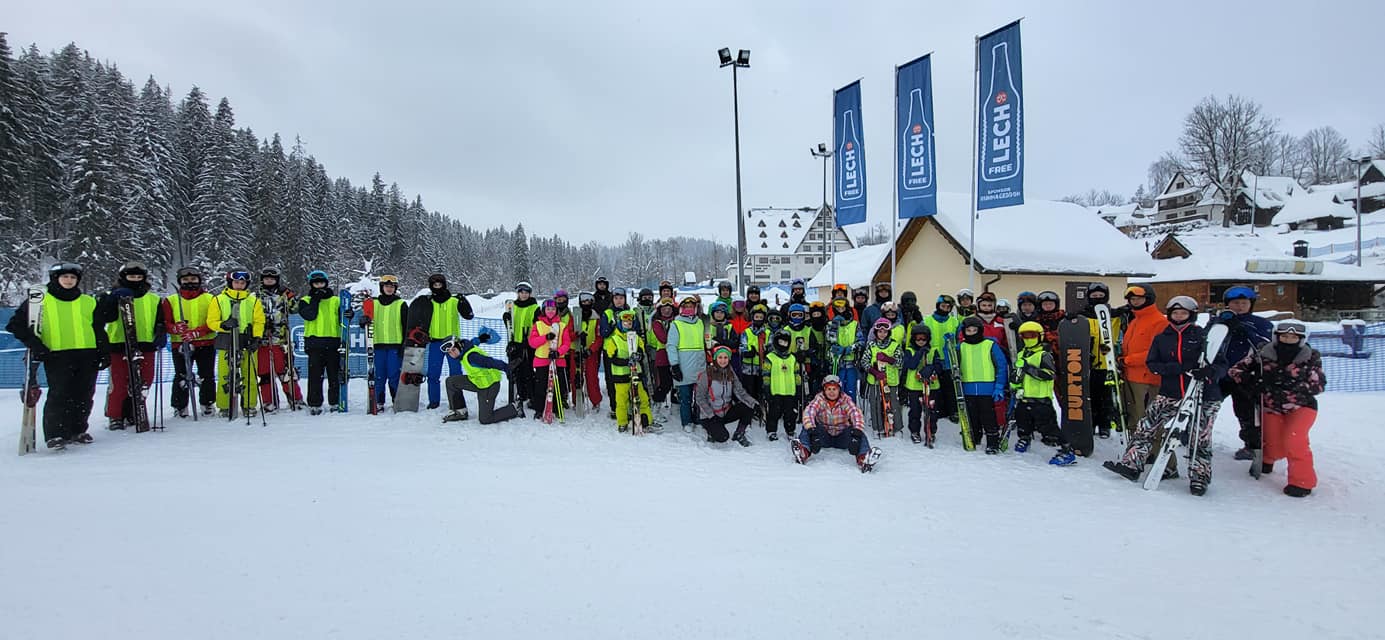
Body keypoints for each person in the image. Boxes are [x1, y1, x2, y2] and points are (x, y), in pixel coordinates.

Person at [1104, 296, 1228, 496]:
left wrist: (1209, 372)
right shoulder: (1162, 338)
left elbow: (1222, 365)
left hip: (1203, 394)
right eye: (1175, 313)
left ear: (1192, 315)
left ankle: (1199, 476)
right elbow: (1153, 364)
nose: (1179, 317)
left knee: (1200, 437)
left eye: (1183, 313)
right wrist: (1177, 368)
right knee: (1146, 426)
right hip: (1171, 392)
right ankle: (1132, 464)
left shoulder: (1202, 336)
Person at [6, 263, 104, 448]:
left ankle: (78, 430)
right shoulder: (39, 300)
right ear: (56, 278)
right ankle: (56, 433)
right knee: (60, 394)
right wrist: (36, 345)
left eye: (73, 278)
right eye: (65, 277)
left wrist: (103, 351)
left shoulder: (88, 301)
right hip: (57, 355)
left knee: (84, 395)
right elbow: (15, 325)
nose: (69, 281)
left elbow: (98, 328)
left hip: (87, 354)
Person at [1227, 321, 1325, 497]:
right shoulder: (1263, 353)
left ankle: (1301, 482)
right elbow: (1235, 371)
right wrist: (1252, 380)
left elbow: (1318, 385)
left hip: (1301, 406)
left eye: (1293, 337)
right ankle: (1268, 458)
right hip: (1271, 406)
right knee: (1274, 445)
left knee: (1294, 441)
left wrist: (1290, 383)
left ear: (1301, 339)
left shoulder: (1309, 356)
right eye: (1284, 336)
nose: (1288, 340)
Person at [95, 261, 165, 430]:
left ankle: (134, 410)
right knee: (119, 383)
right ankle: (115, 415)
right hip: (119, 343)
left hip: (145, 344)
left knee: (144, 381)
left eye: (138, 277)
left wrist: (161, 332)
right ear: (123, 277)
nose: (135, 280)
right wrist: (111, 299)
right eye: (131, 277)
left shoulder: (153, 299)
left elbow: (160, 319)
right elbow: (105, 317)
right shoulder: (114, 295)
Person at [1216, 286, 1275, 461]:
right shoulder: (1218, 321)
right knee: (1206, 405)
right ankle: (1195, 434)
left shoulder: (1260, 323)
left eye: (1244, 303)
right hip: (1220, 373)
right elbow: (1207, 341)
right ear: (1228, 305)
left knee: (1246, 411)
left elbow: (1264, 346)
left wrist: (1243, 329)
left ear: (1251, 304)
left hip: (1245, 375)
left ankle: (1251, 445)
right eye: (1235, 303)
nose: (1240, 306)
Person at [1118, 285, 1170, 471]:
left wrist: (1128, 360)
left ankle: (1160, 457)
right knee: (1135, 418)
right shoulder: (1135, 320)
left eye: (1139, 299)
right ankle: (1141, 453)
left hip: (1148, 379)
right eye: (1132, 299)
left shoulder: (1159, 321)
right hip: (1132, 376)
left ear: (1148, 298)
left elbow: (1155, 352)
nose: (1135, 302)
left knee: (1149, 420)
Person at [406, 273, 475, 409]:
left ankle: (456, 401)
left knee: (455, 374)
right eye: (434, 285)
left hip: (453, 344)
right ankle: (434, 402)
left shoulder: (454, 301)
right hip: (435, 342)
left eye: (440, 284)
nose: (437, 287)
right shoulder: (427, 302)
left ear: (444, 285)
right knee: (433, 374)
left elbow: (469, 316)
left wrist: (464, 302)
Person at [792, 375, 878, 472]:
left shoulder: (845, 400)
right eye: (829, 389)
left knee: (860, 434)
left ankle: (863, 458)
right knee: (806, 428)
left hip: (842, 436)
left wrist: (857, 434)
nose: (831, 392)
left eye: (834, 389)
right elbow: (809, 412)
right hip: (823, 436)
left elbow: (856, 414)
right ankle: (803, 452)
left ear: (839, 390)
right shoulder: (819, 399)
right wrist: (813, 432)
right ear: (824, 390)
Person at [163, 266, 217, 418]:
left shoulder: (209, 298)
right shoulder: (172, 300)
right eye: (185, 280)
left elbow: (213, 321)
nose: (190, 282)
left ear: (199, 280)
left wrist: (198, 331)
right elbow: (165, 322)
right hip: (180, 344)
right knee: (181, 375)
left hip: (205, 343)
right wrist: (175, 328)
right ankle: (180, 405)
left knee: (206, 374)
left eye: (193, 279)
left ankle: (207, 402)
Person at [442, 327, 522, 425]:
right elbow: (472, 342)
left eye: (453, 350)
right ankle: (460, 411)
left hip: (489, 386)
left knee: (485, 419)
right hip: (477, 382)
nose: (452, 354)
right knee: (451, 382)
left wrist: (506, 368)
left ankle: (514, 408)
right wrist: (480, 339)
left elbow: (490, 362)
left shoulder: (472, 357)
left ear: (459, 346)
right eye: (449, 352)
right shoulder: (465, 347)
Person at [1011, 321, 1064, 461]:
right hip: (1024, 397)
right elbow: (1018, 373)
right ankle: (1024, 438)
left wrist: (1028, 368)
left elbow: (1049, 375)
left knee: (1048, 427)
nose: (1028, 339)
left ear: (1039, 336)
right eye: (1025, 336)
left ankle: (1066, 450)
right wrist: (1015, 383)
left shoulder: (1044, 355)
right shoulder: (1022, 353)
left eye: (1032, 335)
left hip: (1040, 399)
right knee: (1023, 422)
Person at [956, 315, 1009, 454]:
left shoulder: (990, 345)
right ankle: (975, 437)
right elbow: (953, 364)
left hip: (987, 387)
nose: (972, 333)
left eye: (974, 330)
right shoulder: (961, 347)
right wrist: (947, 346)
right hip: (968, 388)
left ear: (980, 330)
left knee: (988, 417)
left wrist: (999, 386)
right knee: (972, 415)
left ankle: (992, 442)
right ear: (964, 332)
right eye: (969, 330)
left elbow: (1001, 366)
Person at [1075, 283, 1121, 439]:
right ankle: (1091, 423)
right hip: (1089, 363)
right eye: (1094, 296)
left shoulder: (1114, 316)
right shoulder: (1083, 316)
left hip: (1108, 363)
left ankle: (1105, 425)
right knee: (1090, 396)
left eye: (1100, 296)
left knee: (1107, 397)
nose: (1097, 299)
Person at [256, 266, 303, 412]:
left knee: (285, 372)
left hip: (281, 339)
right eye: (266, 279)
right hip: (262, 339)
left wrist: (289, 296)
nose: (269, 281)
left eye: (272, 279)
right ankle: (269, 401)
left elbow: (295, 309)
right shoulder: (256, 296)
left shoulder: (283, 294)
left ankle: (296, 399)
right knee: (264, 373)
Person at [292, 270, 338, 415]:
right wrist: (315, 300)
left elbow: (345, 316)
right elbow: (310, 316)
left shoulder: (335, 300)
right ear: (312, 285)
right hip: (314, 343)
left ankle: (335, 401)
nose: (319, 286)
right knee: (315, 376)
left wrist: (350, 313)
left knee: (334, 375)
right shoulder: (305, 300)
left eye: (321, 283)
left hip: (333, 342)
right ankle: (315, 403)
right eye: (316, 283)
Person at [694, 345, 758, 445]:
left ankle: (739, 434)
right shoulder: (707, 374)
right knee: (723, 437)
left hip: (725, 412)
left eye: (725, 358)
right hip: (709, 415)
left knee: (749, 407)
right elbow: (700, 398)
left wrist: (753, 402)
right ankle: (711, 431)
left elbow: (740, 391)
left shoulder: (730, 373)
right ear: (715, 358)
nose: (723, 361)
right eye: (720, 357)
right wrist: (711, 415)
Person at [361, 274, 407, 411]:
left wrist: (404, 344)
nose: (389, 289)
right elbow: (366, 320)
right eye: (386, 286)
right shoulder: (373, 303)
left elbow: (406, 326)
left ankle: (396, 401)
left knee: (394, 375)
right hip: (378, 345)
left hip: (395, 346)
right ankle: (379, 401)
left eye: (392, 286)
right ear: (382, 287)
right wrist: (362, 321)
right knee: (379, 376)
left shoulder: (401, 304)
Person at [605, 309, 656, 432]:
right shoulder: (614, 339)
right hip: (620, 375)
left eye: (630, 322)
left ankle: (646, 421)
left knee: (642, 398)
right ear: (620, 323)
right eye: (625, 322)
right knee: (622, 401)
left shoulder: (636, 338)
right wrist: (626, 362)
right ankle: (622, 422)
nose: (628, 324)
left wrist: (638, 356)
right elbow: (612, 358)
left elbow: (642, 354)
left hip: (635, 374)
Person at [666, 296, 707, 429]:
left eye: (691, 306)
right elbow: (671, 346)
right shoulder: (676, 324)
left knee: (700, 395)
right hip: (684, 365)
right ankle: (686, 421)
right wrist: (675, 365)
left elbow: (706, 342)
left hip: (699, 364)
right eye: (686, 306)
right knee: (685, 396)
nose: (689, 309)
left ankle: (698, 418)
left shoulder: (700, 323)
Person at [527, 298, 572, 416]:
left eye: (553, 309)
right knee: (541, 386)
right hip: (542, 360)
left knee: (558, 386)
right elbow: (532, 342)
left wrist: (558, 352)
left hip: (558, 360)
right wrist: (545, 337)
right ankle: (539, 409)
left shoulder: (562, 325)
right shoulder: (538, 324)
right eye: (548, 309)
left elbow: (567, 343)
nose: (551, 311)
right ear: (544, 310)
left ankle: (557, 408)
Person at [861, 318, 903, 437]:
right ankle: (877, 427)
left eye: (885, 332)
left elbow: (900, 362)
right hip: (875, 380)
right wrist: (873, 371)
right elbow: (864, 361)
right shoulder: (871, 345)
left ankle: (896, 427)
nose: (882, 334)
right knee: (875, 403)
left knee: (893, 403)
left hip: (890, 380)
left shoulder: (894, 345)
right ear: (875, 332)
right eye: (880, 332)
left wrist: (888, 359)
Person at [923, 295, 961, 421]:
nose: (945, 309)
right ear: (938, 306)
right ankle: (936, 409)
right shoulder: (927, 320)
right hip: (933, 358)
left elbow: (959, 338)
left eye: (948, 307)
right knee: (935, 386)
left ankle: (952, 411)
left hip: (950, 358)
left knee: (950, 387)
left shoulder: (954, 321)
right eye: (943, 306)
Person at [900, 323, 939, 445]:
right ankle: (915, 431)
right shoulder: (910, 350)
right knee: (915, 411)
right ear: (913, 339)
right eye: (918, 339)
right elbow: (910, 365)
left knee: (931, 411)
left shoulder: (933, 350)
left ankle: (931, 432)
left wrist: (931, 368)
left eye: (924, 339)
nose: (921, 341)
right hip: (914, 387)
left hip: (931, 386)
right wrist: (920, 353)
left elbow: (939, 366)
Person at [504, 281, 538, 406]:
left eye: (526, 293)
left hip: (528, 343)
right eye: (521, 292)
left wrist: (530, 338)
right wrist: (506, 319)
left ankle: (531, 395)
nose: (523, 295)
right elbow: (511, 325)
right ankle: (521, 394)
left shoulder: (534, 307)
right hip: (515, 343)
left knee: (528, 370)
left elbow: (537, 324)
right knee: (517, 370)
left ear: (529, 294)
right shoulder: (513, 306)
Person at [762, 330, 800, 441]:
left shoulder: (792, 358)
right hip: (775, 391)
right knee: (773, 413)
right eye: (780, 342)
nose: (783, 345)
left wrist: (798, 387)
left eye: (785, 343)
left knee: (790, 414)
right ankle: (771, 431)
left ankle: (790, 431)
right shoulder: (770, 357)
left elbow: (797, 374)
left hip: (790, 391)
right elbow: (766, 374)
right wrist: (766, 388)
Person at [574, 291, 604, 413]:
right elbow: (570, 332)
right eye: (583, 302)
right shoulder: (576, 317)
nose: (586, 304)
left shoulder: (596, 318)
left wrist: (591, 350)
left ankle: (596, 401)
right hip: (577, 350)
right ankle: (577, 401)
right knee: (576, 377)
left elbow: (599, 337)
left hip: (590, 352)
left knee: (591, 378)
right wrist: (577, 335)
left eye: (588, 302)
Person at [648, 297, 677, 420]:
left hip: (676, 355)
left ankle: (675, 409)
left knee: (677, 383)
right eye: (664, 308)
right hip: (663, 355)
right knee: (665, 384)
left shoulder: (676, 320)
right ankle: (656, 407)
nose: (667, 311)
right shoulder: (657, 323)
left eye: (669, 308)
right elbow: (663, 339)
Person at [739, 304, 771, 412]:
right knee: (749, 389)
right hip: (749, 367)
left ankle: (760, 408)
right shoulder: (747, 332)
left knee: (760, 389)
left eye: (761, 317)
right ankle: (749, 409)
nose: (758, 320)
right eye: (756, 317)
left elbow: (771, 347)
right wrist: (747, 352)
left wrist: (768, 352)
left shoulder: (767, 333)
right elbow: (742, 346)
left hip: (763, 367)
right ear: (753, 317)